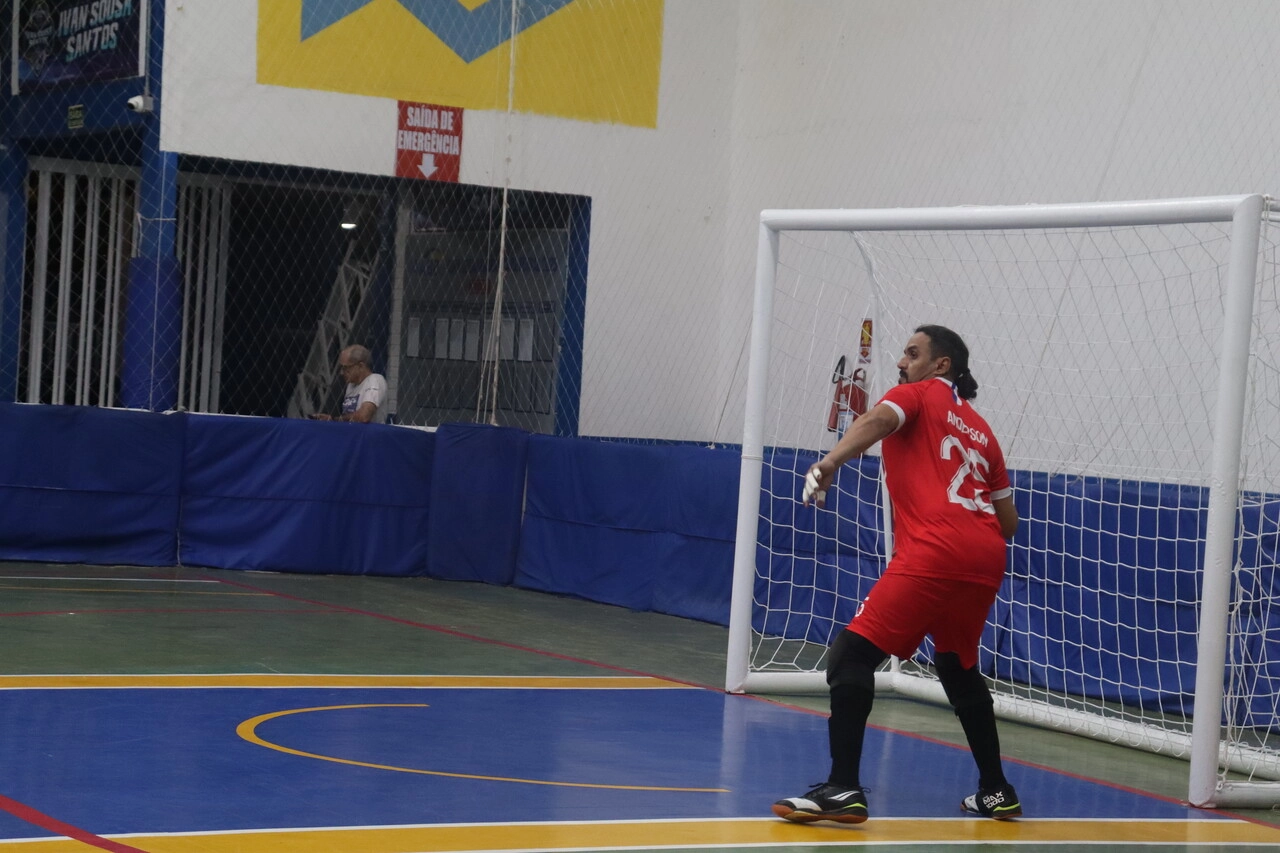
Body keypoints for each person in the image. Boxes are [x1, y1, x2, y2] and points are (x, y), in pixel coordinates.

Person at [772, 325, 1021, 825]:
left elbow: (877, 419)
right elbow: (1008, 522)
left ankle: (843, 788)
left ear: (941, 365)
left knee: (851, 655)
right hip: (985, 557)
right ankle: (997, 790)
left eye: (912, 353)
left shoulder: (917, 395)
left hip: (936, 550)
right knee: (957, 666)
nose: (902, 362)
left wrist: (831, 460)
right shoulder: (983, 432)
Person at [311, 344, 387, 424]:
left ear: (360, 366)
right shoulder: (351, 385)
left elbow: (364, 416)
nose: (342, 372)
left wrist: (336, 419)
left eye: (345, 368)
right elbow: (350, 417)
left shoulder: (375, 380)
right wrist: (331, 420)